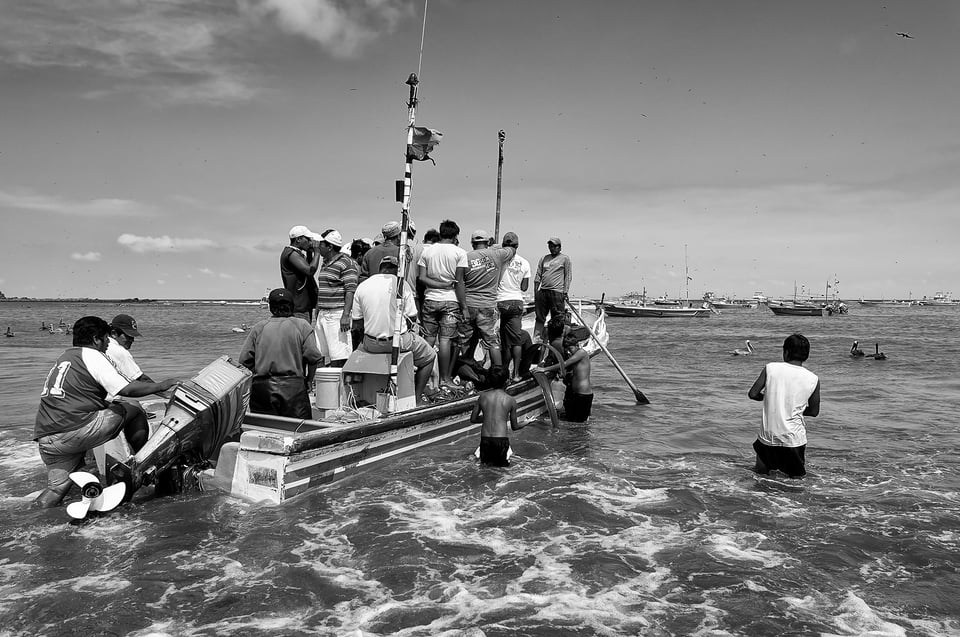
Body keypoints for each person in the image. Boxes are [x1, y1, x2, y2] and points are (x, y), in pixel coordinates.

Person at [33, 316, 180, 508]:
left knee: (56, 489)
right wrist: (162, 385)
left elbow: (79, 397)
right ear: (96, 339)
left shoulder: (65, 358)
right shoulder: (93, 356)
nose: (107, 344)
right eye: (106, 339)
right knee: (134, 408)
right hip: (74, 430)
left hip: (47, 438)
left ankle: (33, 517)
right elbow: (126, 390)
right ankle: (144, 464)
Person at [351, 255, 437, 403]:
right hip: (398, 342)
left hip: (371, 344)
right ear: (397, 270)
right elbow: (412, 317)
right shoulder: (401, 284)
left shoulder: (363, 286)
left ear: (380, 269)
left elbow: (357, 324)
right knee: (429, 356)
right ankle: (416, 398)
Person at [239, 288, 322, 419]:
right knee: (298, 432)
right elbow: (313, 358)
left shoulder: (259, 327)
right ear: (292, 306)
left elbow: (244, 361)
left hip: (262, 389)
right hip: (294, 389)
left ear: (270, 307)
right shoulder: (302, 326)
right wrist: (309, 380)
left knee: (264, 432)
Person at [747, 333, 821, 478]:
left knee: (761, 477)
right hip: (793, 440)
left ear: (786, 352)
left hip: (767, 437)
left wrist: (772, 399)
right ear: (806, 355)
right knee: (795, 483)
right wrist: (793, 408)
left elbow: (753, 394)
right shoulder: (813, 379)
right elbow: (814, 411)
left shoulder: (771, 368)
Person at [418, 219, 468, 389]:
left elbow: (422, 278)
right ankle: (444, 379)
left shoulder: (428, 252)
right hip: (450, 300)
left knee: (428, 340)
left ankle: (422, 380)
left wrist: (438, 285)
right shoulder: (460, 253)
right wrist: (464, 307)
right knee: (446, 341)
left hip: (430, 299)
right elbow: (459, 282)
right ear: (455, 235)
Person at [459, 229, 516, 369]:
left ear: (472, 243)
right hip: (488, 304)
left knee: (466, 340)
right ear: (487, 242)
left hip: (469, 303)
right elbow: (512, 249)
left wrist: (463, 307)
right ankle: (498, 373)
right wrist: (495, 246)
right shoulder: (497, 254)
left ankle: (466, 370)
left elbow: (459, 282)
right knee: (492, 341)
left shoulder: (466, 257)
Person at [314, 229, 357, 367]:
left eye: (321, 244)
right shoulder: (325, 262)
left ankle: (338, 384)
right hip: (324, 313)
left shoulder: (346, 263)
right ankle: (324, 382)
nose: (318, 247)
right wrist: (318, 307)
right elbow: (323, 286)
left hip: (336, 313)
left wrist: (345, 315)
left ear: (329, 246)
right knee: (320, 351)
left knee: (339, 354)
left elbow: (350, 290)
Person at [470, 366, 526, 467]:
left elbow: (473, 419)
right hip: (500, 440)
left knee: (485, 468)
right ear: (507, 381)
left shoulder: (482, 397)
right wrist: (527, 422)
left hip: (485, 439)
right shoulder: (510, 400)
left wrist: (488, 418)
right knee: (501, 471)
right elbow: (515, 427)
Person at [496, 231, 531, 379]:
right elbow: (524, 287)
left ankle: (501, 370)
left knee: (503, 340)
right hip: (516, 302)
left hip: (500, 302)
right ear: (517, 246)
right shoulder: (525, 262)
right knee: (516, 341)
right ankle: (515, 374)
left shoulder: (498, 259)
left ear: (504, 245)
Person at [546, 317, 594, 422]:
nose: (568, 351)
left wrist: (544, 369)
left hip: (583, 394)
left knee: (580, 425)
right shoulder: (575, 353)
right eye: (567, 349)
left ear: (577, 345)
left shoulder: (581, 353)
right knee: (571, 422)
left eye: (570, 348)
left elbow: (564, 364)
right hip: (576, 394)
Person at [533, 237, 573, 343]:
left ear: (559, 247)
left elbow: (568, 276)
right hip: (543, 291)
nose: (552, 248)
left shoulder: (565, 259)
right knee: (540, 317)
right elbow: (538, 276)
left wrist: (565, 291)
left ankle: (556, 341)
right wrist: (536, 293)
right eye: (550, 246)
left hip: (557, 292)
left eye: (554, 246)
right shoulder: (544, 259)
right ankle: (537, 341)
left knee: (558, 318)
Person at [280, 225, 321, 322]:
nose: (310, 242)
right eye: (307, 239)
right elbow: (310, 271)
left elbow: (307, 272)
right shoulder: (291, 253)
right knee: (302, 335)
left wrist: (310, 253)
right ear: (298, 239)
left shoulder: (296, 253)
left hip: (303, 305)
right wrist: (317, 253)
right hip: (299, 307)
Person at [104, 314, 153, 383]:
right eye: (128, 336)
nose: (132, 340)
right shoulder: (119, 351)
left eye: (133, 337)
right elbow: (140, 379)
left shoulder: (100, 344)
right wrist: (165, 393)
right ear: (114, 333)